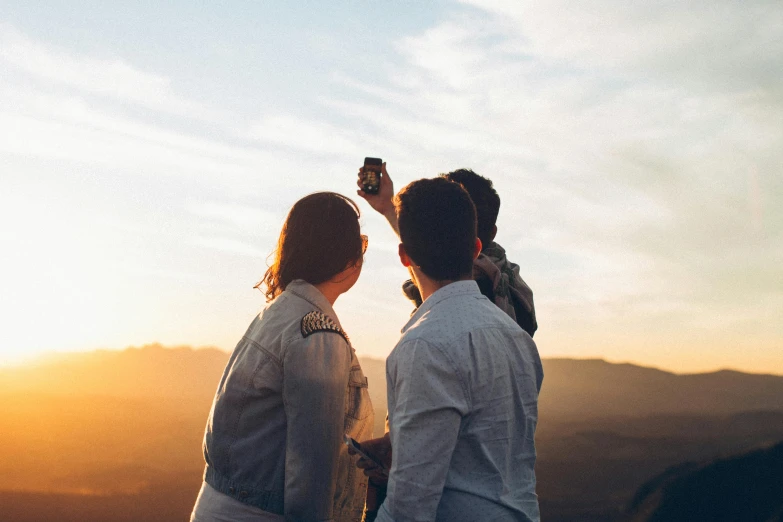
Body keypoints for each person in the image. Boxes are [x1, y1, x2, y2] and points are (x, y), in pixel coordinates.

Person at [363, 178, 544, 521]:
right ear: (476, 248)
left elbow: (409, 509)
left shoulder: (424, 346)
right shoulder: (518, 339)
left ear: (404, 256)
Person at [191, 192, 375, 522]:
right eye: (359, 245)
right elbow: (311, 475)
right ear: (346, 259)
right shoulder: (318, 335)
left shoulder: (277, 313)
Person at [357, 165, 537, 337]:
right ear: (490, 235)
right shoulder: (515, 297)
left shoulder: (432, 325)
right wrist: (388, 208)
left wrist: (389, 208)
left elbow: (420, 247)